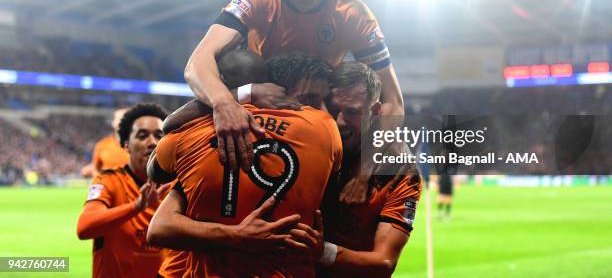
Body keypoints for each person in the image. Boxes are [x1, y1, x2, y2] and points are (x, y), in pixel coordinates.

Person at [184, 0, 404, 186]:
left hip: (317, 103)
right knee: (240, 63)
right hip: (264, 93)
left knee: (396, 148)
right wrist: (224, 105)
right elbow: (197, 62)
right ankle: (180, 149)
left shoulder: (354, 13)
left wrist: (365, 169)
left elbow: (394, 101)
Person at [147, 51, 342, 278]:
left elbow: (157, 170)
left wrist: (235, 96)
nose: (321, 110)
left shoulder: (190, 134)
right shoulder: (325, 128)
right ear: (276, 89)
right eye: (310, 100)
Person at [296, 61, 422, 278]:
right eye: (333, 109)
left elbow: (384, 263)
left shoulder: (399, 171)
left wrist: (322, 251)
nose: (339, 121)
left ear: (374, 112)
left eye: (352, 112)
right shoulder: (304, 143)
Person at [77, 103, 172, 278]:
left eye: (159, 135)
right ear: (126, 145)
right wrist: (135, 207)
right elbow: (84, 228)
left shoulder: (175, 188)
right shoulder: (108, 181)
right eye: (142, 136)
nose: (152, 142)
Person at [81, 108, 129, 177]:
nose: (122, 122)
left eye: (125, 119)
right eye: (119, 119)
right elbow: (95, 168)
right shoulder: (102, 145)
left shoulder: (140, 146)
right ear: (113, 122)